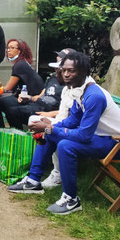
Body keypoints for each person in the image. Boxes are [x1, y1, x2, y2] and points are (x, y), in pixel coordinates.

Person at [8, 51, 120, 215]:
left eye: (71, 71)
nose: (66, 74)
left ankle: (71, 199)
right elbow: (73, 121)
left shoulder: (93, 96)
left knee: (66, 145)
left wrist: (51, 128)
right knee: (51, 133)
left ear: (83, 72)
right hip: (103, 137)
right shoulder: (79, 88)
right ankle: (33, 181)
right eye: (64, 70)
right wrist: (50, 126)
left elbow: (84, 135)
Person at [28, 48, 76, 189]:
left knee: (51, 133)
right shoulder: (68, 89)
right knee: (40, 124)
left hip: (105, 139)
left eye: (59, 70)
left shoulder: (83, 91)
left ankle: (53, 174)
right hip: (73, 126)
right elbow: (64, 116)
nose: (57, 73)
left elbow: (77, 122)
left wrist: (51, 125)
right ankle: (34, 177)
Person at [0, 39, 45, 129]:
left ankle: (0, 129)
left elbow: (7, 88)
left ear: (20, 51)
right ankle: (2, 130)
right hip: (28, 100)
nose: (8, 50)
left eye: (12, 48)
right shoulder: (24, 63)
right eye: (8, 48)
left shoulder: (20, 65)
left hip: (31, 103)